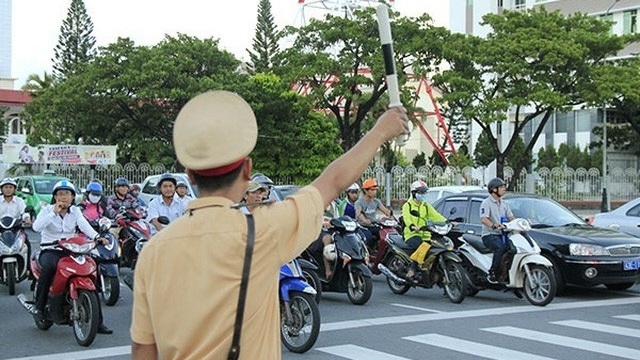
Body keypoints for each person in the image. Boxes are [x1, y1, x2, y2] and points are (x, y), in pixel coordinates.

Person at [130, 90, 408, 359]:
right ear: (248, 170)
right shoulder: (264, 230)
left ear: (189, 175)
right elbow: (332, 182)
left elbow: (143, 349)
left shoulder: (154, 251)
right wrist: (379, 132)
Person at [31, 180, 113, 334]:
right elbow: (36, 227)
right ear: (55, 197)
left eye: (67, 194)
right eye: (60, 194)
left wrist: (97, 237)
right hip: (51, 249)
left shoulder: (75, 211)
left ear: (72, 197)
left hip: (72, 249)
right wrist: (54, 212)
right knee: (49, 267)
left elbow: (83, 225)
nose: (64, 197)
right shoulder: (46, 210)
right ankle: (39, 307)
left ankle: (98, 323)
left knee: (91, 267)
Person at [401, 180, 447, 281]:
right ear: (414, 193)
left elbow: (435, 216)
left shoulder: (426, 205)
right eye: (420, 193)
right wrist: (413, 226)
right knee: (423, 246)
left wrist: (447, 221)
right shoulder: (407, 206)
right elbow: (407, 219)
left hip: (426, 234)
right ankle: (412, 270)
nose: (422, 195)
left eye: (424, 192)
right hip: (411, 234)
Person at [480, 177, 515, 284]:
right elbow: (484, 219)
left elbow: (511, 217)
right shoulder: (486, 203)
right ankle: (492, 272)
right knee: (500, 247)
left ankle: (506, 273)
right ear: (494, 190)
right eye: (501, 187)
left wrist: (519, 223)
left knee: (513, 249)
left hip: (503, 234)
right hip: (490, 234)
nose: (504, 189)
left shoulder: (504, 203)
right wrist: (494, 225)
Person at [354, 178, 392, 247]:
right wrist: (365, 220)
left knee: (385, 236)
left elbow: (386, 211)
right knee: (369, 238)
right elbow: (358, 214)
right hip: (362, 226)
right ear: (365, 190)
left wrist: (391, 215)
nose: (374, 192)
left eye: (375, 190)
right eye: (372, 190)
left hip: (373, 225)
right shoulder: (359, 202)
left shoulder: (376, 201)